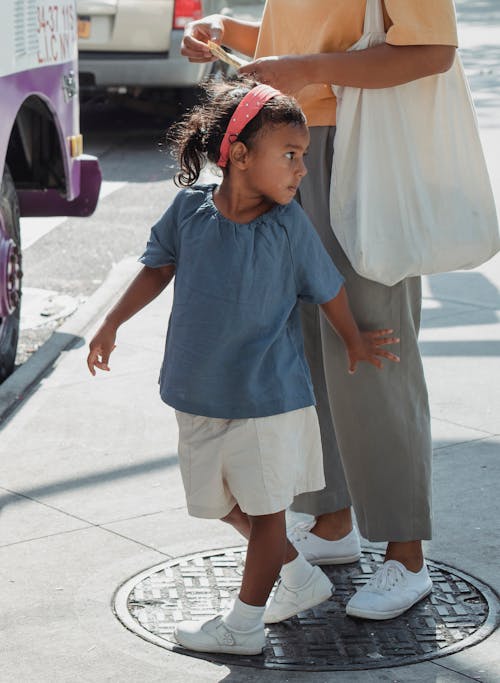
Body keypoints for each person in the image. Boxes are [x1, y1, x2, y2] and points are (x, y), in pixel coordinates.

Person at [87, 78, 399, 655]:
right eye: (290, 155)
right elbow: (157, 268)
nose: (301, 169)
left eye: (303, 157)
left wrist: (353, 339)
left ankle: (245, 624)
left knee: (267, 513)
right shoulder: (188, 212)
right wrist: (111, 323)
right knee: (217, 503)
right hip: (196, 393)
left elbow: (327, 288)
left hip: (268, 397)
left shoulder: (288, 225)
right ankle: (299, 577)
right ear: (238, 156)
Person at [181, 0, 458, 620]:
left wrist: (302, 67)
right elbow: (310, 34)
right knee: (304, 335)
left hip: (363, 144)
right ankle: (331, 521)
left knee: (370, 335)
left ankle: (406, 553)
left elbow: (431, 49)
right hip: (295, 137)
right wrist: (229, 32)